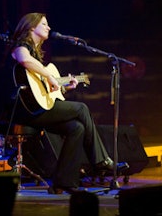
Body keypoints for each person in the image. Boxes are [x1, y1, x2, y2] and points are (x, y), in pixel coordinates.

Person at [9, 12, 129, 194]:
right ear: (32, 27)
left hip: (39, 107)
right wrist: (50, 76)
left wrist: (65, 87)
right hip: (27, 111)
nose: (49, 27)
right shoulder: (21, 46)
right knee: (81, 108)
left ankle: (63, 182)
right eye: (44, 24)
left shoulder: (37, 55)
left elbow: (43, 92)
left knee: (76, 128)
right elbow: (24, 60)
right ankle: (101, 161)